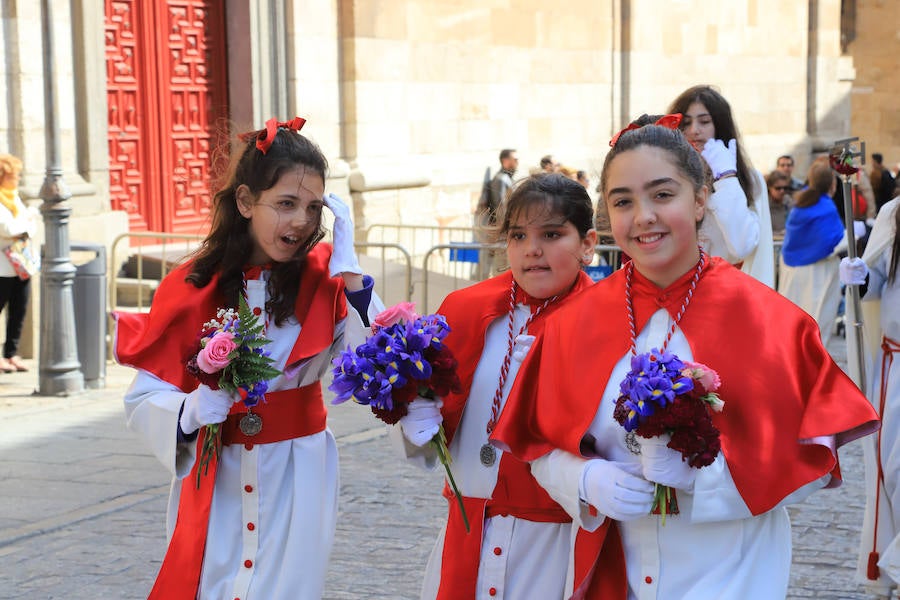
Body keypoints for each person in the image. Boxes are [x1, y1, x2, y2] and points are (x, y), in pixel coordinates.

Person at [492, 117, 879, 599]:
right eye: (623, 201)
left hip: (731, 571)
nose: (643, 217)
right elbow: (538, 444)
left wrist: (706, 477)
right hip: (616, 570)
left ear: (699, 200)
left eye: (662, 195)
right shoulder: (573, 321)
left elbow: (810, 461)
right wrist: (584, 478)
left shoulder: (768, 319)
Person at [113, 117, 382, 600]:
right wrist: (189, 411)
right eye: (285, 204)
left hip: (299, 474)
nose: (301, 221)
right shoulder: (193, 283)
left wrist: (354, 277)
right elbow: (143, 399)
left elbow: (376, 363)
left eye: (313, 208)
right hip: (218, 474)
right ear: (244, 202)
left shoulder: (328, 280)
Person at [392, 173, 624, 599]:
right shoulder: (465, 309)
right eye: (518, 235)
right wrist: (417, 419)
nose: (532, 250)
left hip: (552, 542)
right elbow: (433, 436)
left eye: (552, 234)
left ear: (588, 244)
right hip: (466, 529)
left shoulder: (609, 324)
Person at [840, 196, 900, 600]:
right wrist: (859, 276)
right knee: (896, 475)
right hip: (898, 367)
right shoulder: (893, 213)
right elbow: (876, 283)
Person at [668, 85, 775, 287]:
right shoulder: (667, 178)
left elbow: (742, 245)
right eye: (686, 122)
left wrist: (726, 179)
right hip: (677, 291)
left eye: (704, 121)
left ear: (720, 125)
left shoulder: (749, 179)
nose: (694, 131)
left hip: (728, 292)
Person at [778, 158, 849, 348]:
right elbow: (833, 243)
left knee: (795, 323)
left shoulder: (800, 201)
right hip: (819, 272)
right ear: (832, 184)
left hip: (793, 271)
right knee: (818, 322)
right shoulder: (825, 206)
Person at [0, 153, 39, 373]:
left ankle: (11, 354)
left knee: (18, 310)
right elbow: (6, 229)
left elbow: (30, 227)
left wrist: (23, 224)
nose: (18, 179)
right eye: (14, 175)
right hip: (2, 269)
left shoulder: (14, 198)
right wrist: (25, 223)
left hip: (21, 266)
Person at [766, 169, 792, 239]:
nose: (782, 191)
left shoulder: (789, 202)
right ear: (769, 188)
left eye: (785, 188)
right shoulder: (764, 206)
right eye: (778, 188)